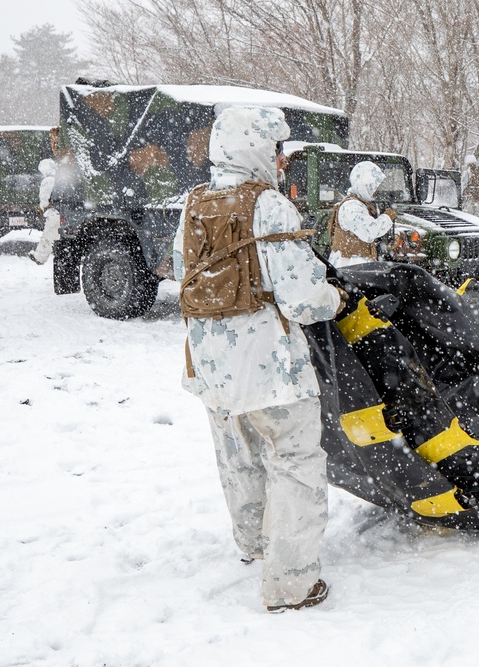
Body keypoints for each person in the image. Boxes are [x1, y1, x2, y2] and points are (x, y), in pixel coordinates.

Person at [172, 106, 346, 612]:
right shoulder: (268, 206)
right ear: (254, 148)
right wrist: (334, 297)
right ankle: (291, 584)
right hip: (271, 369)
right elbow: (302, 299)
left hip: (212, 367)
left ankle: (254, 543)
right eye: (276, 148)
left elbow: (183, 274)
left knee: (239, 457)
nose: (281, 159)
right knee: (296, 465)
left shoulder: (193, 204)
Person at [328, 160, 396, 268]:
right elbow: (369, 232)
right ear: (365, 184)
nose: (376, 190)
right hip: (349, 266)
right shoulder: (352, 206)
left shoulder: (360, 204)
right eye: (374, 186)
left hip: (357, 266)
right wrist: (387, 217)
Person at [28, 158, 60, 265]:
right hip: (61, 211)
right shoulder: (60, 178)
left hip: (53, 213)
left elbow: (45, 200)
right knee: (54, 236)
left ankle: (39, 258)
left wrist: (41, 208)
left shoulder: (47, 181)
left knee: (47, 236)